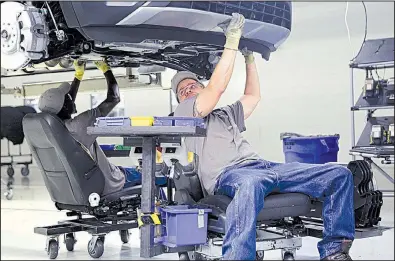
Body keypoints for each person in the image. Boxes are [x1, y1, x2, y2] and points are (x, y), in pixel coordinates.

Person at [172, 13, 355, 261]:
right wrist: (232, 40)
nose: (188, 90)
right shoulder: (185, 114)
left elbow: (253, 97)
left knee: (339, 174)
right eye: (183, 91)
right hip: (228, 175)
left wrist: (249, 58)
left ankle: (335, 251)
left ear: (200, 86)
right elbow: (217, 88)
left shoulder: (224, 114)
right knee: (250, 184)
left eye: (193, 85)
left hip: (264, 167)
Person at [38, 60, 139, 195]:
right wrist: (106, 69)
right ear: (65, 106)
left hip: (87, 186)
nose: (70, 98)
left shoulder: (53, 133)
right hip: (112, 182)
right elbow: (114, 98)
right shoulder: (80, 124)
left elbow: (64, 106)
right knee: (153, 177)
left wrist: (78, 75)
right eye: (67, 98)